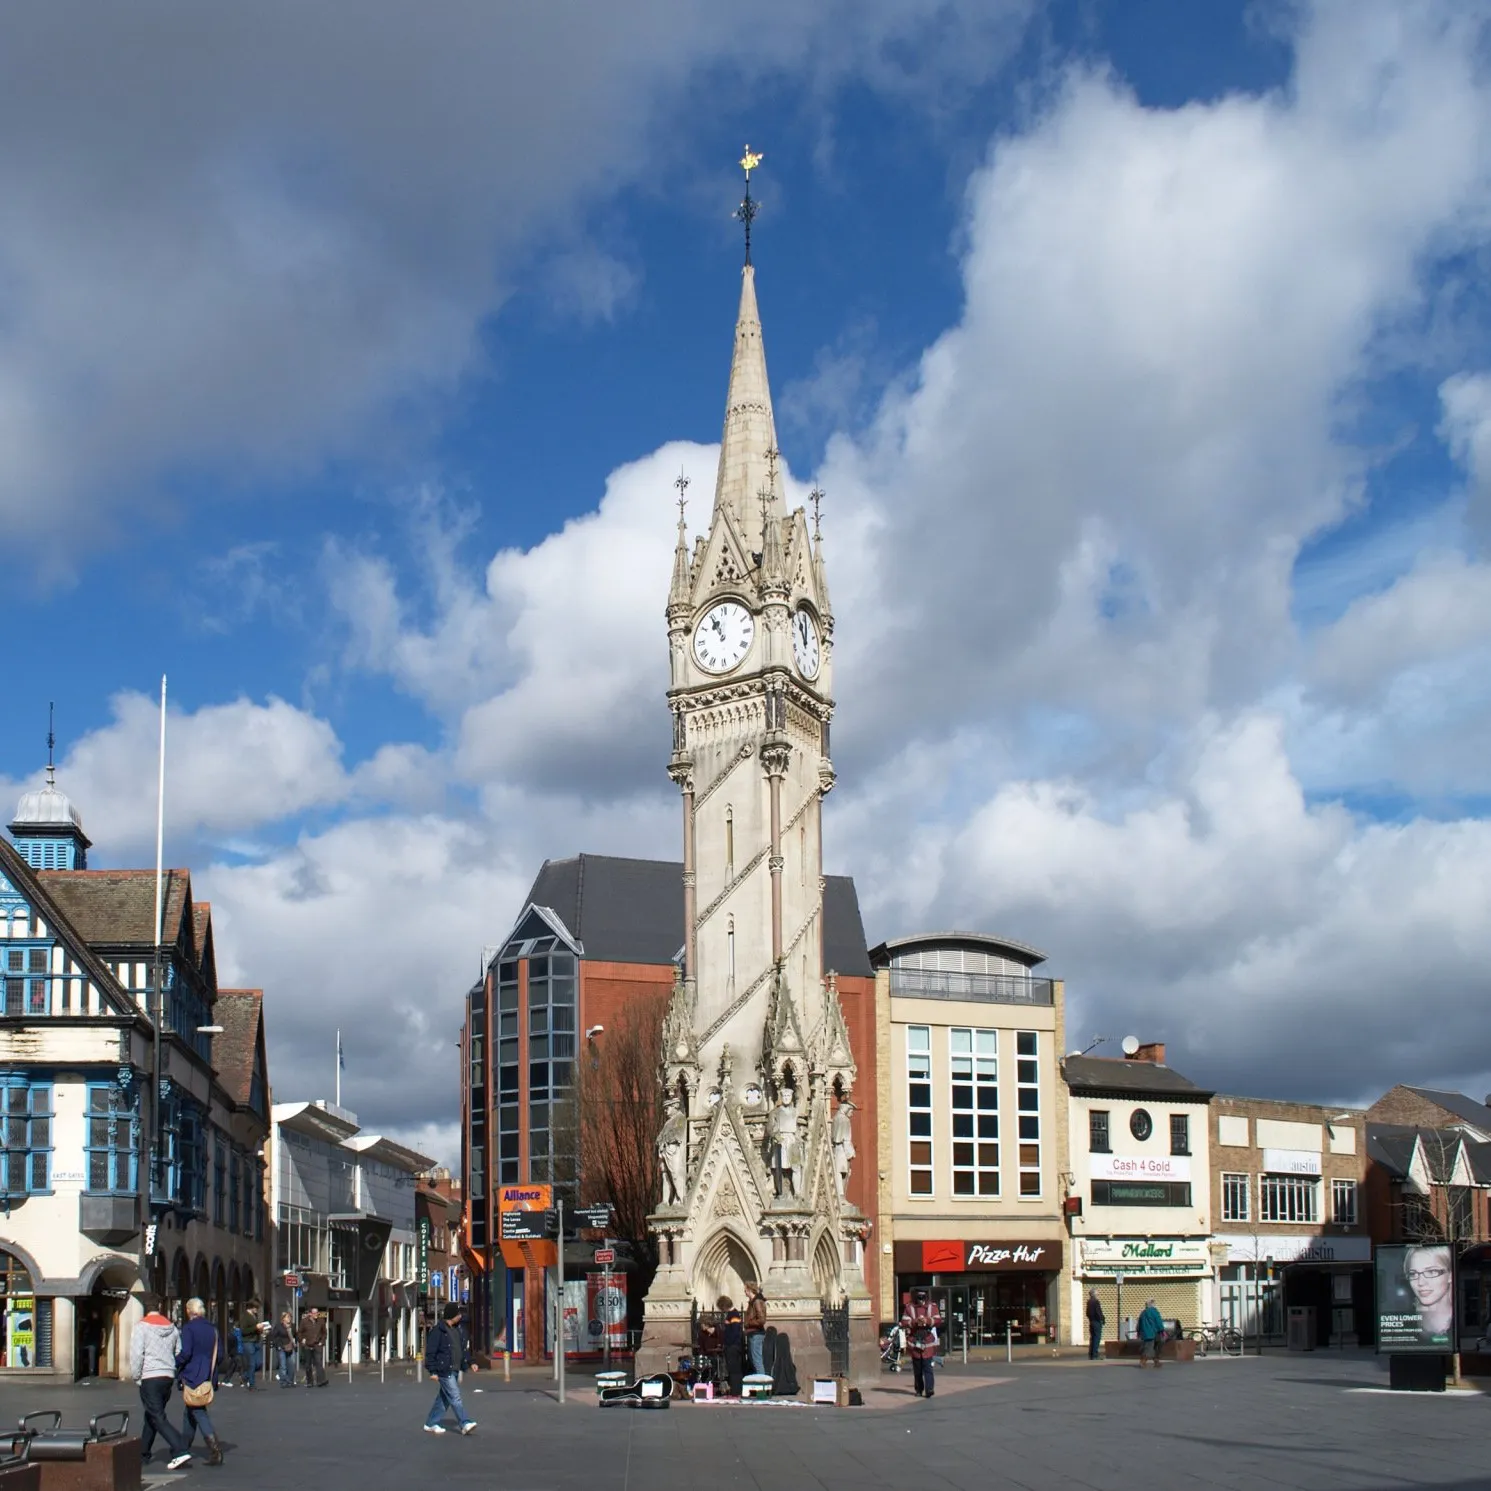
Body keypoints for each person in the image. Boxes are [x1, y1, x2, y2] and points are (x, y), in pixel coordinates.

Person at [128, 1298, 193, 1471]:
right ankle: (144, 1453)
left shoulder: (141, 1327)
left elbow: (136, 1354)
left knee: (157, 1416)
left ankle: (180, 1448)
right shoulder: (171, 1328)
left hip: (150, 1375)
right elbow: (178, 1351)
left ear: (145, 1310)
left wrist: (136, 1376)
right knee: (152, 1414)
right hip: (167, 1376)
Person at [176, 1297, 224, 1465]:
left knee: (197, 1411)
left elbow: (186, 1353)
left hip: (192, 1375)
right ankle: (182, 1448)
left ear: (190, 1311)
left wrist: (175, 1362)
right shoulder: (213, 1329)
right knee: (190, 1411)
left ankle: (214, 1448)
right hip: (208, 1375)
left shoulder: (189, 1328)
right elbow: (220, 1355)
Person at [423, 1302, 477, 1436]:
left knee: (444, 1399)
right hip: (444, 1369)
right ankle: (464, 1423)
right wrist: (433, 1371)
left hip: (455, 1369)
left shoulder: (458, 1330)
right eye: (458, 1314)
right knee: (455, 1396)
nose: (460, 1316)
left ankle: (430, 1423)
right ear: (451, 1315)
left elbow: (463, 1350)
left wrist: (471, 1362)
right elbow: (430, 1352)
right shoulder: (438, 1331)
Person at [1403, 1245, 1454, 1343]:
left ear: (1450, 1275)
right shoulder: (1405, 1323)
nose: (1420, 1282)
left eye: (1431, 1272)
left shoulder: (1461, 1321)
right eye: (1413, 1274)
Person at [901, 1287, 941, 1399]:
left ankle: (929, 1389)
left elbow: (938, 1320)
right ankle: (919, 1389)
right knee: (917, 1369)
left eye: (923, 1297)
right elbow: (904, 1322)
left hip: (927, 1339)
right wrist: (914, 1322)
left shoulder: (932, 1307)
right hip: (915, 1340)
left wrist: (927, 1321)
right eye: (919, 1297)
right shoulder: (909, 1308)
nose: (921, 1300)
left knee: (928, 1367)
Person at [298, 1306, 328, 1387]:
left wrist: (322, 1342)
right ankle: (309, 1382)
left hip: (317, 1345)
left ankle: (321, 1381)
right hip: (307, 1345)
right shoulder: (304, 1321)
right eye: (314, 1313)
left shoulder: (321, 1321)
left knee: (318, 1363)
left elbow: (324, 1333)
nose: (316, 1315)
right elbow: (299, 1332)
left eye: (317, 1313)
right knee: (308, 1364)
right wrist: (302, 1340)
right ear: (310, 1314)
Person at [721, 1298, 745, 1398]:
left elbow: (734, 1331)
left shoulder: (734, 1314)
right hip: (732, 1346)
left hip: (733, 1346)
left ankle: (736, 1391)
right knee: (732, 1369)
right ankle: (735, 1390)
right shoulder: (731, 1314)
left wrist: (729, 1344)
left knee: (734, 1369)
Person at [744, 1283, 768, 1377]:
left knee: (757, 1360)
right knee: (754, 1359)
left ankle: (762, 1386)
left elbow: (762, 1320)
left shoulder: (757, 1301)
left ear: (750, 1290)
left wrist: (748, 1323)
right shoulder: (753, 1302)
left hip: (756, 1334)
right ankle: (759, 1382)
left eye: (745, 1290)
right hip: (752, 1333)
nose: (745, 1292)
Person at [1137, 1299, 1166, 1368]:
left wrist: (1138, 1331)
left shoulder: (1143, 1313)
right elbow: (1158, 1321)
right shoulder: (1154, 1312)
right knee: (1153, 1347)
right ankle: (1143, 1361)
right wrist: (1162, 1330)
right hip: (1154, 1332)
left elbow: (1139, 1324)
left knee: (1149, 1346)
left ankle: (1156, 1362)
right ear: (1152, 1305)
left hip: (1146, 1333)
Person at [271, 1311, 297, 1387]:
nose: (289, 1318)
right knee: (283, 1365)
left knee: (292, 1365)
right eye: (287, 1317)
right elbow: (274, 1336)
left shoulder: (293, 1326)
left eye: (290, 1317)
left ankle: (290, 1381)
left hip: (291, 1347)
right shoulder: (279, 1326)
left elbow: (296, 1335)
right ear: (283, 1319)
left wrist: (300, 1340)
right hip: (281, 1347)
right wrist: (278, 1345)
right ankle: (284, 1382)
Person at [1086, 1289, 1106, 1361]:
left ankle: (1091, 1354)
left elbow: (1087, 1313)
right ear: (1094, 1294)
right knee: (1097, 1338)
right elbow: (1098, 1312)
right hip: (1096, 1322)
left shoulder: (1089, 1302)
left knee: (1092, 1338)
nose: (1098, 1295)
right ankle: (1095, 1355)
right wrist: (1102, 1319)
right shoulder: (1096, 1302)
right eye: (1097, 1294)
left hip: (1091, 1321)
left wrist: (1091, 1319)